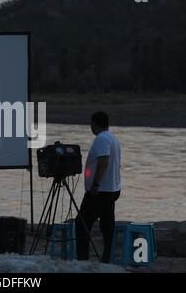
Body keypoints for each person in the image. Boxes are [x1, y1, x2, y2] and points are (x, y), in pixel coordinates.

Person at [75, 111, 121, 263]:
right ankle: (106, 258)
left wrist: (95, 184)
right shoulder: (113, 138)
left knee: (82, 223)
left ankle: (83, 259)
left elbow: (104, 162)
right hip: (112, 189)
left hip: (100, 191)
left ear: (94, 123)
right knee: (107, 225)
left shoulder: (101, 139)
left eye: (91, 123)